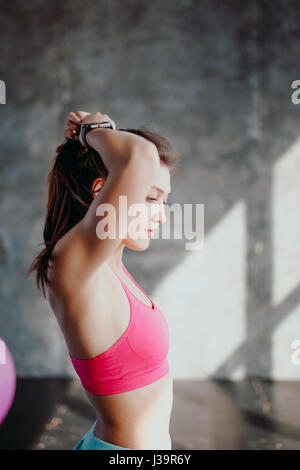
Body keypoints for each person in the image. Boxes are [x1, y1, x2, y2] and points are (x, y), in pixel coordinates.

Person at [26, 110, 179, 450]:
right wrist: (93, 131)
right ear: (102, 192)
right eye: (151, 197)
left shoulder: (111, 266)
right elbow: (139, 157)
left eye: (165, 201)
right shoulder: (72, 267)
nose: (162, 214)